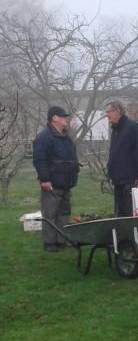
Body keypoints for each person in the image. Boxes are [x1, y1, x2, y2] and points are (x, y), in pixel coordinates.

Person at [33, 106, 80, 253]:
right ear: (54, 118)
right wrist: (45, 179)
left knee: (64, 213)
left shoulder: (65, 137)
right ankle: (49, 242)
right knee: (50, 214)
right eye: (63, 116)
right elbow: (40, 160)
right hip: (52, 184)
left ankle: (61, 240)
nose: (65, 119)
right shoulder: (44, 137)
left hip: (66, 183)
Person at [106, 101, 138, 217]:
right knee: (120, 215)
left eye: (109, 112)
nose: (107, 115)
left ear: (118, 111)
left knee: (131, 214)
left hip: (130, 181)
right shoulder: (115, 130)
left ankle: (134, 235)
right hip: (118, 180)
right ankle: (122, 235)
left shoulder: (133, 128)